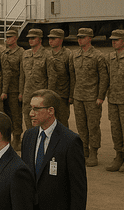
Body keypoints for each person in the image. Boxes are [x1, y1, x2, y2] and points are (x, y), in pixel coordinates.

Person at [21, 89, 87, 210]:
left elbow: (78, 188)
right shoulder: (28, 136)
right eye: (30, 108)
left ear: (51, 111)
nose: (31, 113)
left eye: (36, 109)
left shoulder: (70, 141)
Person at [71, 27, 109, 167]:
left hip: (93, 98)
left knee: (93, 126)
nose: (79, 39)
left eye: (82, 37)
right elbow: (73, 77)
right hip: (78, 97)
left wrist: (101, 96)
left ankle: (93, 153)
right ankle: (84, 151)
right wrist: (72, 95)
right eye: (78, 37)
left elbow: (103, 78)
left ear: (89, 38)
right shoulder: (75, 55)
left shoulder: (98, 56)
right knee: (81, 126)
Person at [19, 29, 48, 149]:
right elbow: (22, 75)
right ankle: (31, 143)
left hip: (41, 95)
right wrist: (21, 92)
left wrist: (48, 95)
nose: (30, 40)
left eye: (33, 38)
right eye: (29, 38)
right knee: (28, 119)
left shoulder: (47, 55)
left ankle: (42, 144)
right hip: (27, 94)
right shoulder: (25, 54)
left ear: (40, 39)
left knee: (41, 120)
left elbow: (50, 76)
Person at [46, 29, 74, 128]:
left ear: (61, 40)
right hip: (50, 94)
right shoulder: (47, 54)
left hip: (62, 94)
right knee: (50, 122)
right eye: (49, 38)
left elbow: (72, 76)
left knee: (62, 122)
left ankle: (65, 143)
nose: (50, 41)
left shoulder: (68, 54)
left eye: (53, 39)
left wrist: (71, 95)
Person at [2, 30, 24, 150]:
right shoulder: (4, 52)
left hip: (15, 88)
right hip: (5, 89)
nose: (7, 39)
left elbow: (22, 74)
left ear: (15, 38)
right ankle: (8, 138)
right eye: (6, 37)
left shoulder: (21, 52)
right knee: (7, 114)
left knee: (16, 115)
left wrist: (21, 91)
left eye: (10, 37)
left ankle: (17, 138)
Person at [106, 30, 124, 172]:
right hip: (113, 100)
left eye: (116, 40)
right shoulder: (110, 57)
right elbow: (106, 78)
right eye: (112, 39)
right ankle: (118, 156)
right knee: (116, 130)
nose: (113, 42)